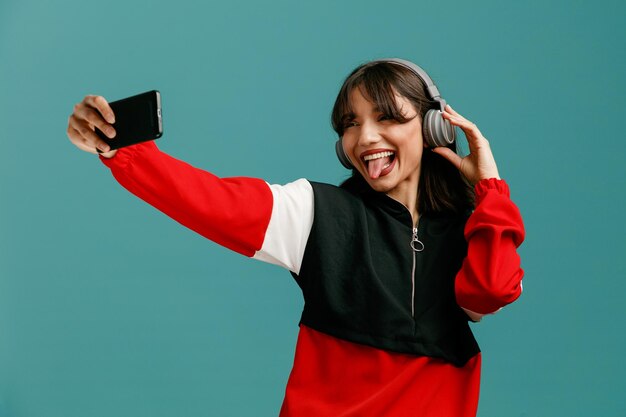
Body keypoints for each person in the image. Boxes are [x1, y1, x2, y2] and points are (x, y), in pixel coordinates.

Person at [67, 58, 525, 417]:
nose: (364, 137)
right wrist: (122, 150)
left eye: (387, 118)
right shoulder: (316, 213)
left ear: (433, 129)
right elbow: (208, 200)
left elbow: (487, 293)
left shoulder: (474, 229)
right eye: (349, 123)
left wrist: (490, 190)